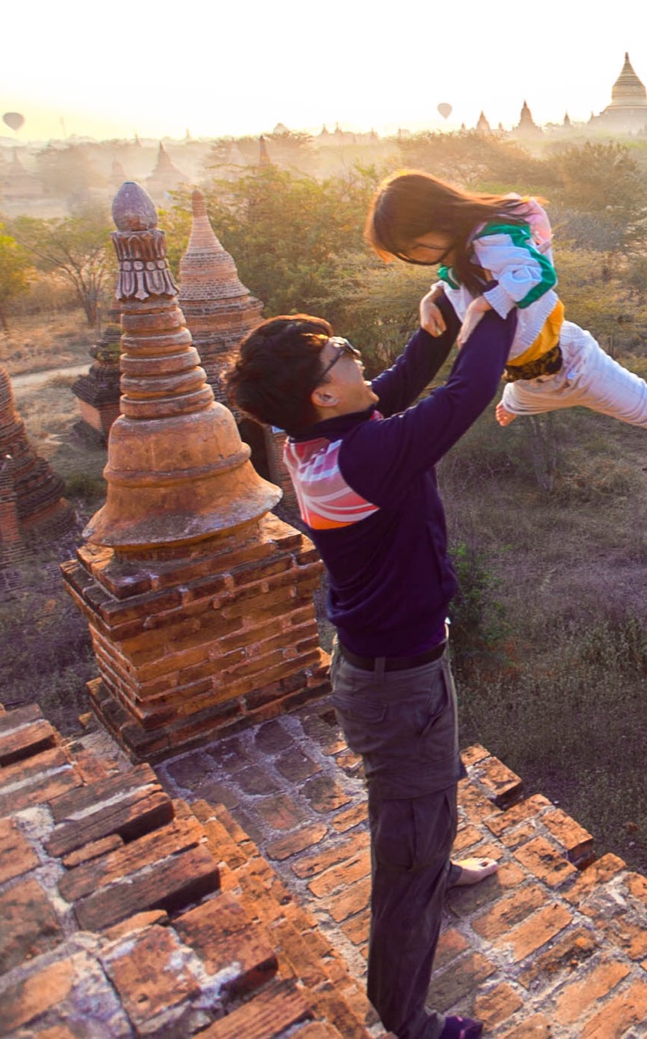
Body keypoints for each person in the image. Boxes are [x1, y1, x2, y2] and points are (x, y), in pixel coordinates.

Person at [225, 284, 510, 1039]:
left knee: (425, 797)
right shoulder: (366, 457)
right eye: (340, 353)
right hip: (397, 679)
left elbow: (399, 385)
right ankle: (406, 1020)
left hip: (394, 665)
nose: (356, 354)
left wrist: (442, 317)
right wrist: (508, 296)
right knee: (405, 852)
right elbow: (470, 390)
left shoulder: (318, 434)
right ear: (322, 391)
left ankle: (437, 863)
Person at [364, 170, 647, 439]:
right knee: (518, 398)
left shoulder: (493, 237)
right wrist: (432, 297)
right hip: (533, 379)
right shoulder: (460, 249)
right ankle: (518, 399)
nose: (416, 258)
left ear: (434, 221)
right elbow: (454, 279)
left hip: (571, 365)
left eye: (413, 246)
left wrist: (488, 305)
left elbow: (536, 277)